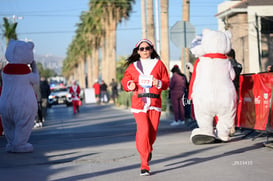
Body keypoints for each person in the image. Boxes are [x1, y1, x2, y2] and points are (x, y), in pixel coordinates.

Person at [121, 39, 169, 176]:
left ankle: (147, 149)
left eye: (147, 48)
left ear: (152, 49)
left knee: (152, 134)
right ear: (137, 51)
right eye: (141, 49)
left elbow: (166, 82)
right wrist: (129, 84)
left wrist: (158, 82)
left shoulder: (158, 64)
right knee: (144, 131)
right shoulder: (133, 66)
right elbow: (125, 80)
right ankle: (144, 165)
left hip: (155, 104)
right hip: (139, 104)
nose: (145, 51)